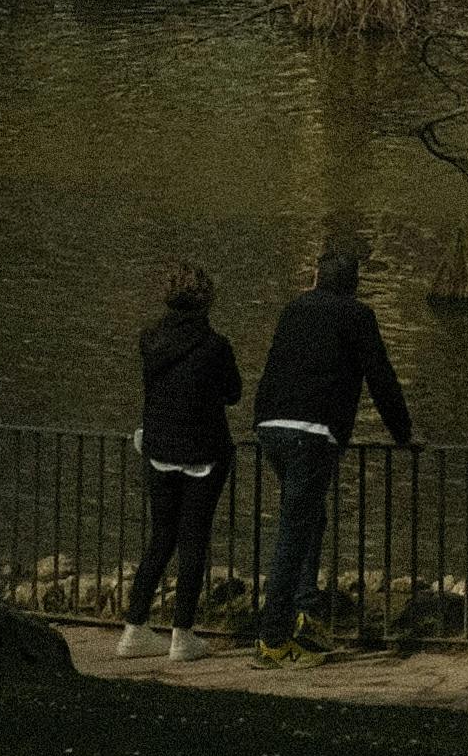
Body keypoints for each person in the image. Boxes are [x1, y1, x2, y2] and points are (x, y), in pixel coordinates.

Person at [250, 238, 414, 657]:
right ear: (354, 285)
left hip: (270, 425)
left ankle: (308, 611)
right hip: (312, 432)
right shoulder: (357, 316)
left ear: (315, 279)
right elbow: (381, 379)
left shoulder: (293, 310)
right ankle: (273, 639)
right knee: (294, 529)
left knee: (309, 516)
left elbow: (276, 363)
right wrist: (403, 435)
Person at [117, 265, 243, 661]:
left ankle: (134, 627)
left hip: (159, 449)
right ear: (207, 300)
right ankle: (182, 633)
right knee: (193, 540)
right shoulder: (214, 346)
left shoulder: (150, 340)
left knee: (161, 537)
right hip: (202, 452)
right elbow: (234, 392)